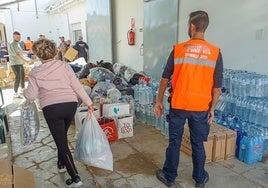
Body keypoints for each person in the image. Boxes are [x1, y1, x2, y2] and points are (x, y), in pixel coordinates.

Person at [154, 10, 223, 188]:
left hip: (179, 105)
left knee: (175, 141)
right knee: (198, 143)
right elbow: (217, 88)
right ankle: (200, 179)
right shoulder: (215, 53)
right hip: (201, 107)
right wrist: (212, 109)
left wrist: (159, 101)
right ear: (204, 27)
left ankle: (169, 177)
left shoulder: (178, 49)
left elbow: (164, 79)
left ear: (192, 27)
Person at [23, 39, 94, 187]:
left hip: (52, 109)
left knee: (61, 144)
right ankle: (61, 164)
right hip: (70, 105)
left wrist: (24, 91)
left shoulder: (35, 72)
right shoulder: (64, 66)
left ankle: (75, 179)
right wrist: (89, 103)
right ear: (55, 51)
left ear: (37, 55)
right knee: (61, 138)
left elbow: (30, 96)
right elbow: (77, 86)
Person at [8, 31, 29, 98]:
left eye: (19, 37)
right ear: (13, 36)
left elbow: (20, 52)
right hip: (15, 64)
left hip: (20, 63)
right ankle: (15, 93)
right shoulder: (12, 43)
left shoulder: (18, 43)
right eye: (17, 37)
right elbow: (17, 54)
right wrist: (25, 60)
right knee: (18, 78)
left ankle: (22, 90)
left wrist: (27, 52)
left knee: (22, 77)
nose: (19, 38)